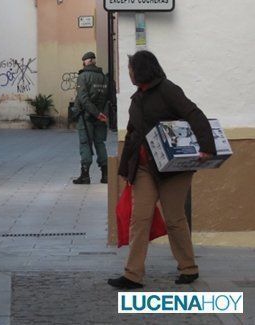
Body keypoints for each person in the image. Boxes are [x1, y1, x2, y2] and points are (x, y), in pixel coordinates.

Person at [109, 50, 216, 289]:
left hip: (173, 169)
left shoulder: (169, 90)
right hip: (146, 168)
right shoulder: (137, 98)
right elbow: (133, 133)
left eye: (131, 69)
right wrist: (126, 167)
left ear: (143, 69)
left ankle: (189, 268)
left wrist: (207, 147)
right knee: (140, 218)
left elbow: (194, 114)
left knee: (174, 218)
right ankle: (132, 274)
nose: (129, 73)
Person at [73, 52, 109, 185]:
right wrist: (102, 114)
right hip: (101, 117)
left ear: (85, 62)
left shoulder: (82, 76)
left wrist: (95, 113)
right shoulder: (104, 77)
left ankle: (85, 175)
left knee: (85, 143)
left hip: (86, 117)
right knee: (100, 143)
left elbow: (83, 99)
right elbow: (108, 98)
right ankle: (105, 175)